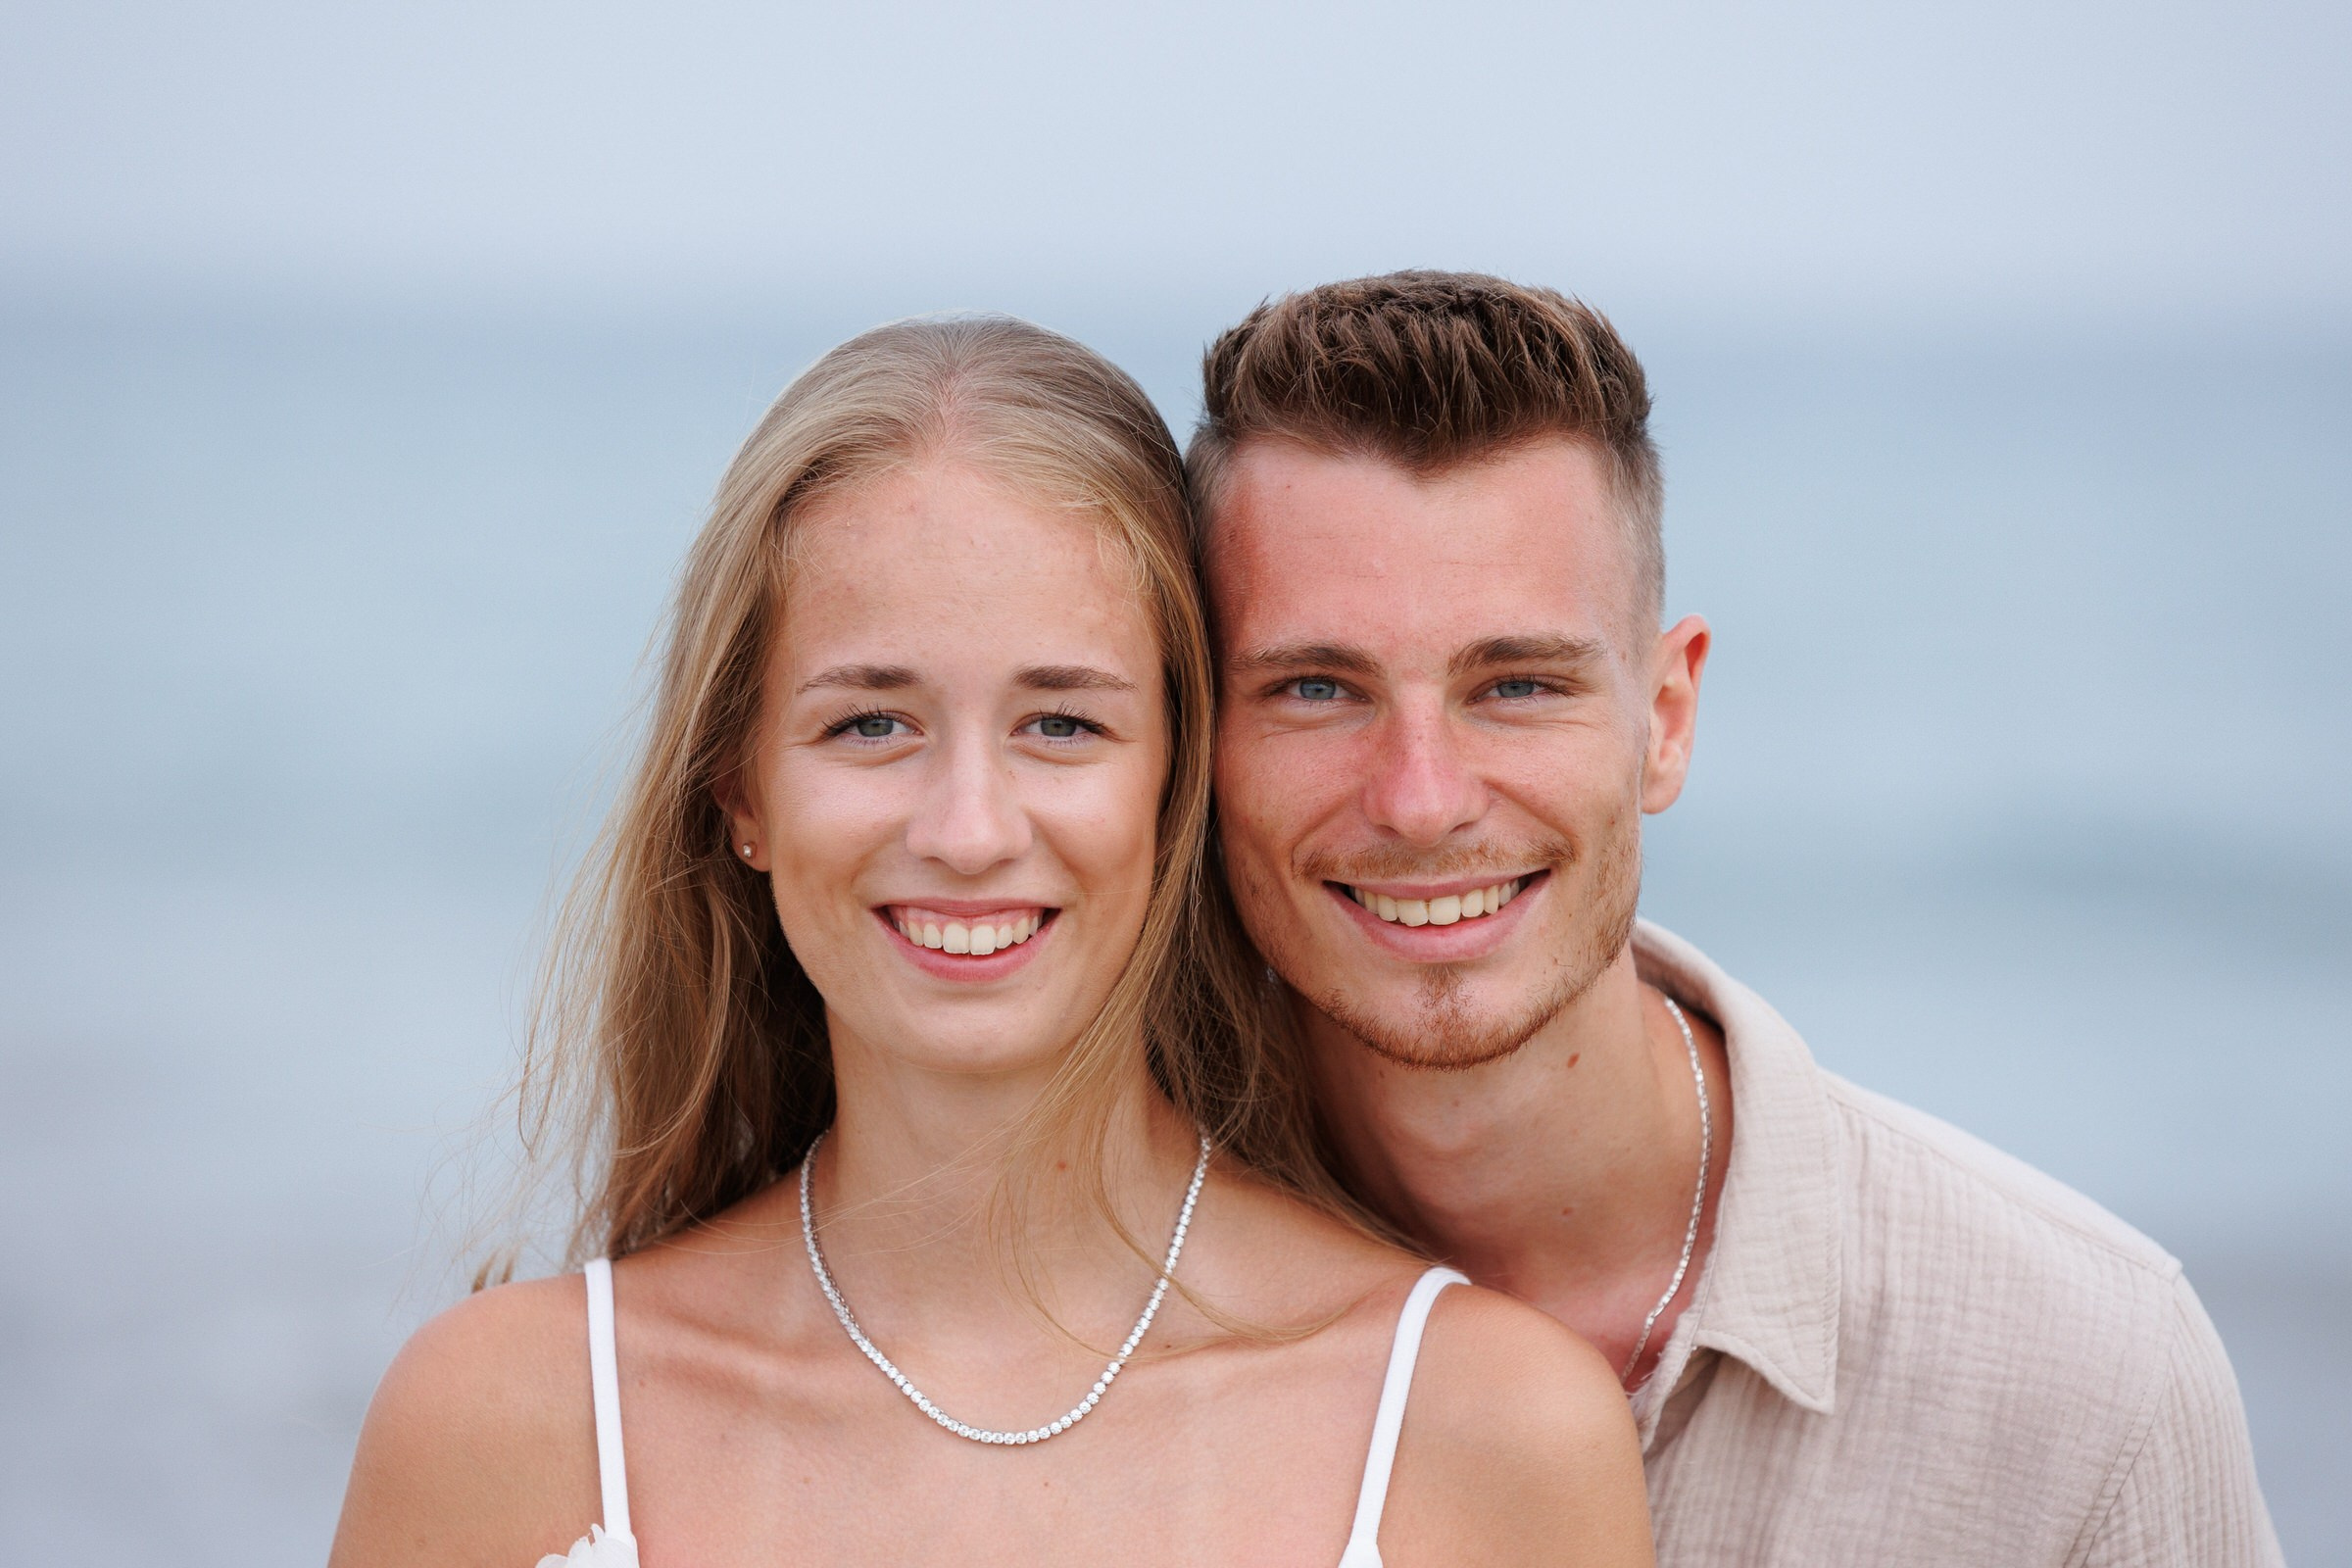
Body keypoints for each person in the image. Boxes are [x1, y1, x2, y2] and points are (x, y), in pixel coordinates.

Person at [327, 316, 1653, 1566]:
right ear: (742, 791)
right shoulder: (503, 1427)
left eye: (1062, 724)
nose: (968, 829)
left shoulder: (1490, 1432)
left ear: (1176, 780)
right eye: (871, 724)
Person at [1189, 270, 2283, 1566]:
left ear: (1666, 718)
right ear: (1198, 735)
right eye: (1318, 689)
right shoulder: (1087, 1313)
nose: (1422, 801)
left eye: (1519, 685)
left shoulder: (2090, 1379)